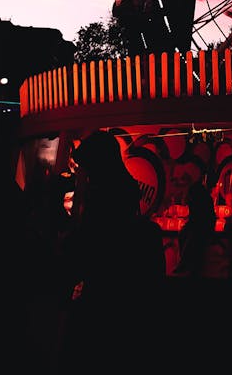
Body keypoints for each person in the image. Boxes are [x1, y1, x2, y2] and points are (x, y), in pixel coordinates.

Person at [56, 130, 166, 374]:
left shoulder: (98, 222)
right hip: (131, 334)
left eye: (87, 174)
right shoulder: (145, 232)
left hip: (100, 325)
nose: (83, 181)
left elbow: (73, 265)